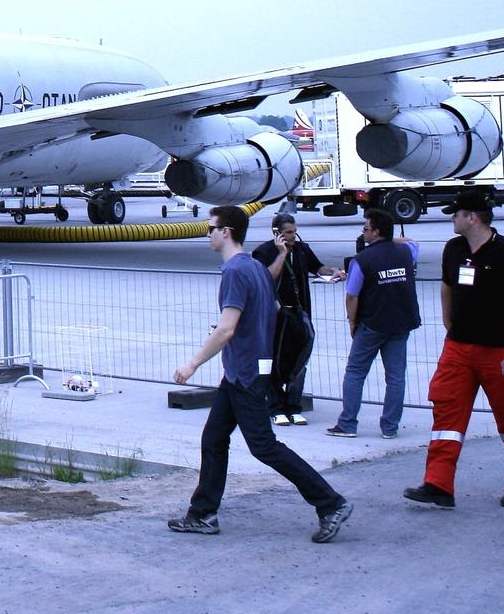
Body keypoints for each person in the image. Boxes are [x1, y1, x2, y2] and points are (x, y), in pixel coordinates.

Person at [167, 206, 354, 542]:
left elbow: (226, 329)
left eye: (211, 228)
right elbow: (262, 311)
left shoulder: (236, 272)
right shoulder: (254, 267)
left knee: (264, 447)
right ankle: (203, 513)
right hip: (244, 371)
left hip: (245, 373)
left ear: (226, 232)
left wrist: (192, 363)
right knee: (214, 439)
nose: (207, 233)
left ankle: (330, 503)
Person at [405, 191, 504, 509]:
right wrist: (449, 322)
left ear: (472, 217)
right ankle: (438, 484)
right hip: (458, 347)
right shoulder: (454, 248)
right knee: (446, 410)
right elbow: (447, 286)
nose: (452, 218)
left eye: (456, 214)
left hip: (498, 350)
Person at [327, 208, 419, 439]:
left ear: (376, 232)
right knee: (396, 377)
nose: (363, 233)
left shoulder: (362, 260)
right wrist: (389, 239)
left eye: (366, 229)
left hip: (372, 323)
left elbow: (352, 296)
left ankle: (348, 423)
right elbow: (411, 242)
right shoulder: (406, 252)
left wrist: (352, 322)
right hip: (401, 322)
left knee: (355, 372)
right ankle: (390, 427)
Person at [251, 211, 341, 425]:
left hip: (299, 313)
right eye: (288, 233)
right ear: (277, 233)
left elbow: (317, 267)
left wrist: (332, 272)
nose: (292, 237)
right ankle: (276, 406)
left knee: (300, 360)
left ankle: (293, 405)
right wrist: (281, 253)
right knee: (272, 360)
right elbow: (266, 279)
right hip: (275, 315)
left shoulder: (302, 249)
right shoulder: (263, 252)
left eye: (294, 232)